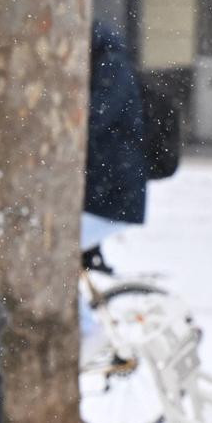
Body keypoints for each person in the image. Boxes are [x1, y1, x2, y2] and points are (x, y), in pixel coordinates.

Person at [82, 19, 149, 265]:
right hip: (108, 188)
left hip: (113, 189)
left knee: (56, 251)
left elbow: (96, 117)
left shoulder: (111, 67)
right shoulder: (107, 64)